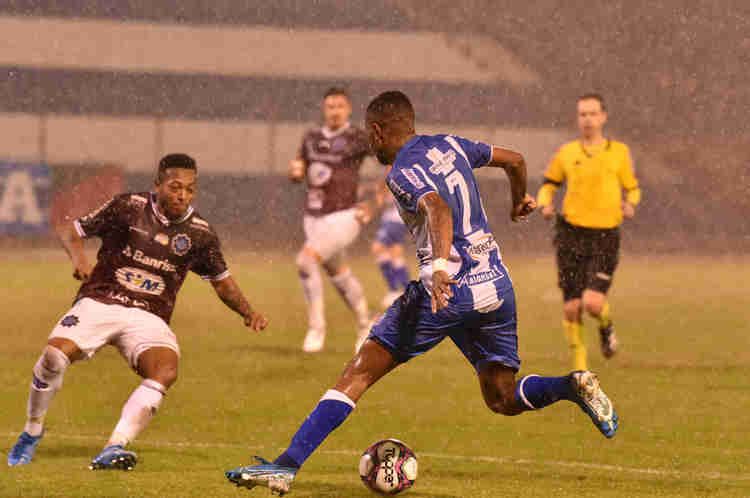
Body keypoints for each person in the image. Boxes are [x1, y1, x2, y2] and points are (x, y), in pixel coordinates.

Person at [225, 91, 618, 495]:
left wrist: (439, 269)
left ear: (377, 132)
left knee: (357, 374)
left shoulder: (400, 171)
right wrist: (518, 201)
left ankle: (286, 466)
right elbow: (515, 159)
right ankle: (573, 386)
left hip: (446, 291)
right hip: (496, 284)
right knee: (501, 396)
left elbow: (437, 208)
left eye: (370, 134)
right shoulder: (450, 144)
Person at [7, 153, 268, 470]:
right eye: (174, 187)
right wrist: (79, 259)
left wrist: (248, 312)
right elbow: (72, 231)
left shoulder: (200, 234)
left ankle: (114, 446)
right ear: (157, 184)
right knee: (53, 357)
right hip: (101, 300)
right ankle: (32, 431)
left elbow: (222, 283)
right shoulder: (127, 207)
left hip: (148, 317)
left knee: (165, 371)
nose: (182, 195)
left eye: (189, 189)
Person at [536, 93, 641, 370]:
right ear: (577, 118)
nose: (588, 119)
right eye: (583, 114)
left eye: (593, 114)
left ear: (603, 117)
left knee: (593, 303)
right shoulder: (567, 153)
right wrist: (545, 203)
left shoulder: (619, 152)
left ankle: (606, 326)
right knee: (571, 307)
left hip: (605, 236)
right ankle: (580, 368)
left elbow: (633, 188)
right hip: (571, 234)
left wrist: (631, 204)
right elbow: (549, 184)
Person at [288, 87, 372, 353]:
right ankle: (366, 325)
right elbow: (300, 166)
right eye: (330, 106)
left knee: (305, 260)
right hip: (313, 217)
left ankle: (316, 328)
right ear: (324, 109)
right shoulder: (311, 137)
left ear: (348, 109)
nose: (335, 111)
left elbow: (392, 159)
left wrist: (376, 199)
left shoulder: (358, 137)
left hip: (345, 215)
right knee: (338, 272)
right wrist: (296, 172)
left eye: (340, 106)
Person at [371, 166, 410, 308]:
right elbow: (383, 199)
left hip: (396, 218)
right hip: (392, 217)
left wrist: (381, 191)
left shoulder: (398, 170)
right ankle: (409, 293)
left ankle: (393, 290)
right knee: (395, 253)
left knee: (378, 247)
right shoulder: (388, 172)